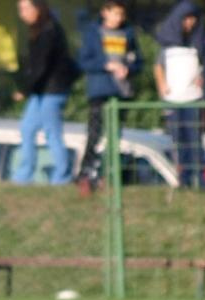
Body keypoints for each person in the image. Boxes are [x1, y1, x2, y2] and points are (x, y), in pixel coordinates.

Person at [75, 0, 142, 195]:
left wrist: (128, 69)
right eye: (115, 13)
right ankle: (86, 175)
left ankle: (107, 174)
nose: (118, 18)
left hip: (121, 92)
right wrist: (106, 65)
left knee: (115, 137)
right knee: (95, 133)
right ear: (105, 12)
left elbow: (138, 61)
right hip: (100, 91)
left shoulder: (128, 33)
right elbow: (83, 61)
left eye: (121, 14)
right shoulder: (92, 33)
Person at [12, 0, 77, 186]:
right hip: (41, 91)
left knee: (52, 133)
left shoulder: (50, 32)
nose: (22, 14)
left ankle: (62, 177)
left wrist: (25, 89)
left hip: (52, 91)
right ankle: (24, 175)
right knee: (27, 128)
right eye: (20, 9)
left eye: (26, 9)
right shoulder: (39, 32)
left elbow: (41, 67)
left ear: (38, 9)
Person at [155, 0, 205, 188]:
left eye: (193, 20)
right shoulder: (166, 46)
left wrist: (202, 77)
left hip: (193, 98)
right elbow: (158, 67)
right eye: (186, 19)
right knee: (178, 140)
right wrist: (162, 86)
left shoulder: (199, 44)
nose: (190, 24)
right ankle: (184, 179)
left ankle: (200, 179)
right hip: (173, 99)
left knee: (195, 139)